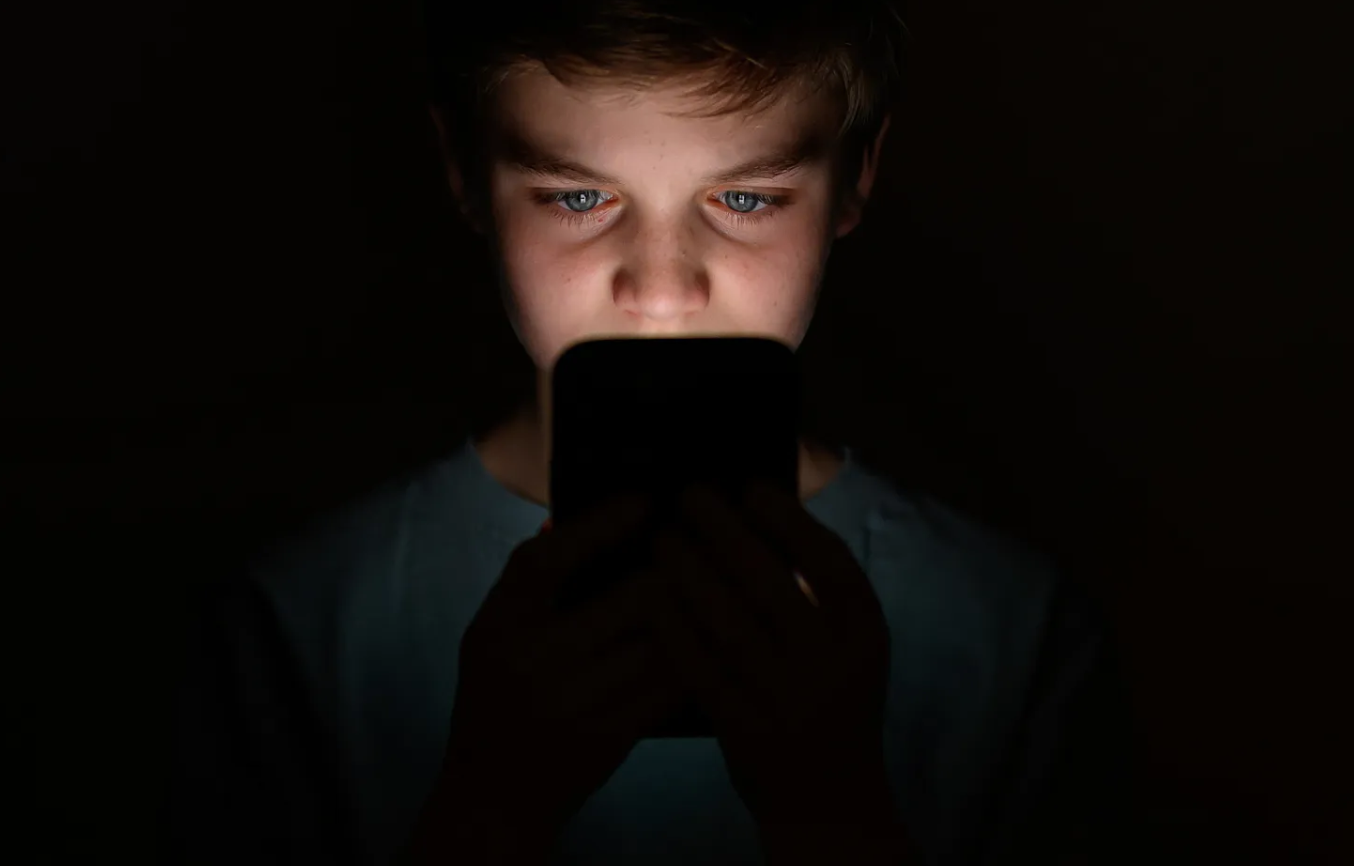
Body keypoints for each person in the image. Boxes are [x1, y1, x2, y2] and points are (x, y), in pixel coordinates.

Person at [168, 1, 1136, 864]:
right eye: (579, 197)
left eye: (746, 198)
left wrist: (832, 808)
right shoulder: (299, 626)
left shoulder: (1011, 630)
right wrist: (490, 810)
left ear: (853, 177)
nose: (664, 291)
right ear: (465, 173)